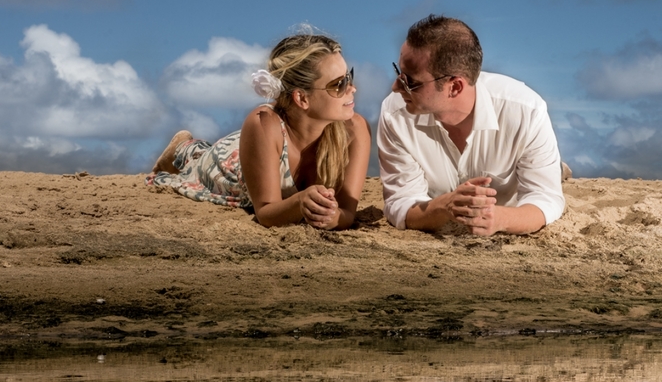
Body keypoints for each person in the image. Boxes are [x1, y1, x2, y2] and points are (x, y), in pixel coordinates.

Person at [148, 32, 370, 229]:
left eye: (349, 77)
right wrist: (299, 202)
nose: (352, 88)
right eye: (338, 84)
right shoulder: (262, 123)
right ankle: (182, 149)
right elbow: (265, 212)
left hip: (261, 145)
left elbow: (347, 212)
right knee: (199, 162)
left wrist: (333, 218)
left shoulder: (355, 131)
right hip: (231, 161)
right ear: (302, 98)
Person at [377, 15, 565, 236]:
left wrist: (500, 219)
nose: (395, 87)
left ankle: (558, 168)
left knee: (551, 176)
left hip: (506, 208)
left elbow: (546, 198)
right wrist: (443, 207)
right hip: (438, 211)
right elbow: (400, 202)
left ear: (455, 87)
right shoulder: (395, 113)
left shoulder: (526, 111)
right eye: (398, 72)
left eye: (410, 82)